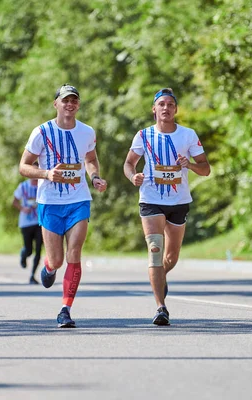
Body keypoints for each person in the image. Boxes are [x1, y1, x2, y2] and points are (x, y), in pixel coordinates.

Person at [18, 84, 107, 328]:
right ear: (55, 103)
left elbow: (90, 159)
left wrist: (95, 177)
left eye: (74, 100)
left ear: (78, 105)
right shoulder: (42, 132)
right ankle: (49, 266)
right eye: (65, 100)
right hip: (50, 202)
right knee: (56, 260)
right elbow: (23, 166)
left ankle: (65, 309)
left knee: (74, 253)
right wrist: (47, 174)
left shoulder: (87, 132)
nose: (70, 104)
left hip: (78, 200)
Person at [123, 88, 211, 326]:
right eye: (161, 104)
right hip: (151, 198)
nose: (166, 108)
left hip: (179, 201)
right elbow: (129, 164)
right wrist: (133, 177)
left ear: (175, 109)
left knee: (171, 257)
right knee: (155, 249)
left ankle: (159, 277)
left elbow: (206, 169)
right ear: (154, 109)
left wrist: (189, 165)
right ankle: (161, 307)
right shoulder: (143, 135)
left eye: (170, 104)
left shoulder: (188, 135)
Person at [12, 163, 43, 284]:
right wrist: (22, 208)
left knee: (39, 248)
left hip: (40, 222)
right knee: (29, 250)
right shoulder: (23, 186)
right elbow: (14, 202)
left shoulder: (42, 185)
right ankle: (24, 254)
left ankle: (32, 275)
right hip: (26, 222)